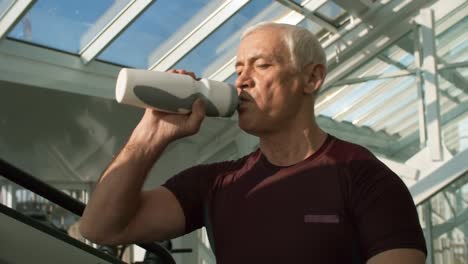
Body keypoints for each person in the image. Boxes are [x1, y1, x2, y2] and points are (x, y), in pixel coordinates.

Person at [80, 22, 427, 263]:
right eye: (238, 69)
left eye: (261, 65)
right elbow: (102, 228)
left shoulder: (365, 178)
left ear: (311, 78)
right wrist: (149, 135)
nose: (242, 80)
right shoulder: (215, 183)